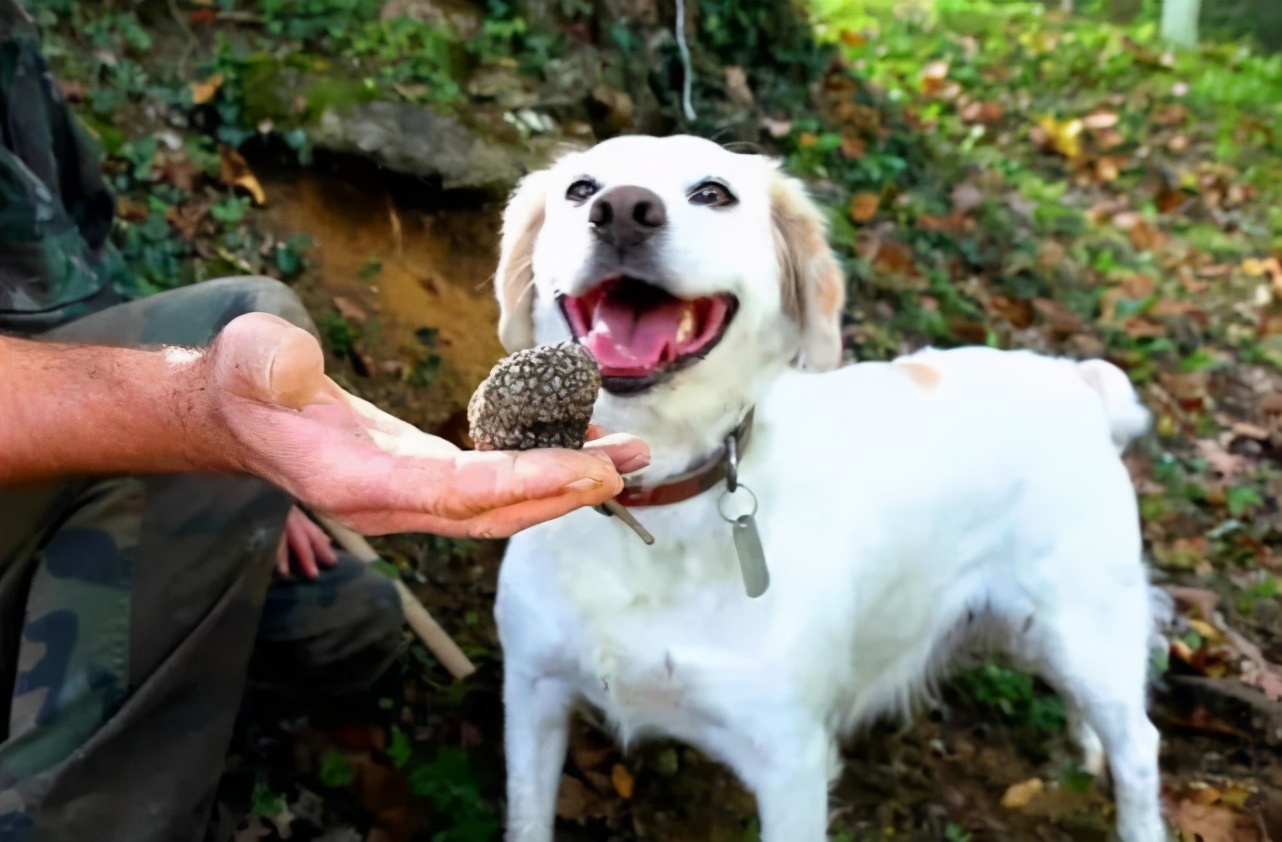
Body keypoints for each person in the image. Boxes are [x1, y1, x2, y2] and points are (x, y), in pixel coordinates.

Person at [0, 3, 647, 841]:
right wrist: (182, 423)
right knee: (237, 320)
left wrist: (220, 467)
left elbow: (88, 295)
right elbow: (169, 383)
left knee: (351, 626)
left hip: (51, 485)